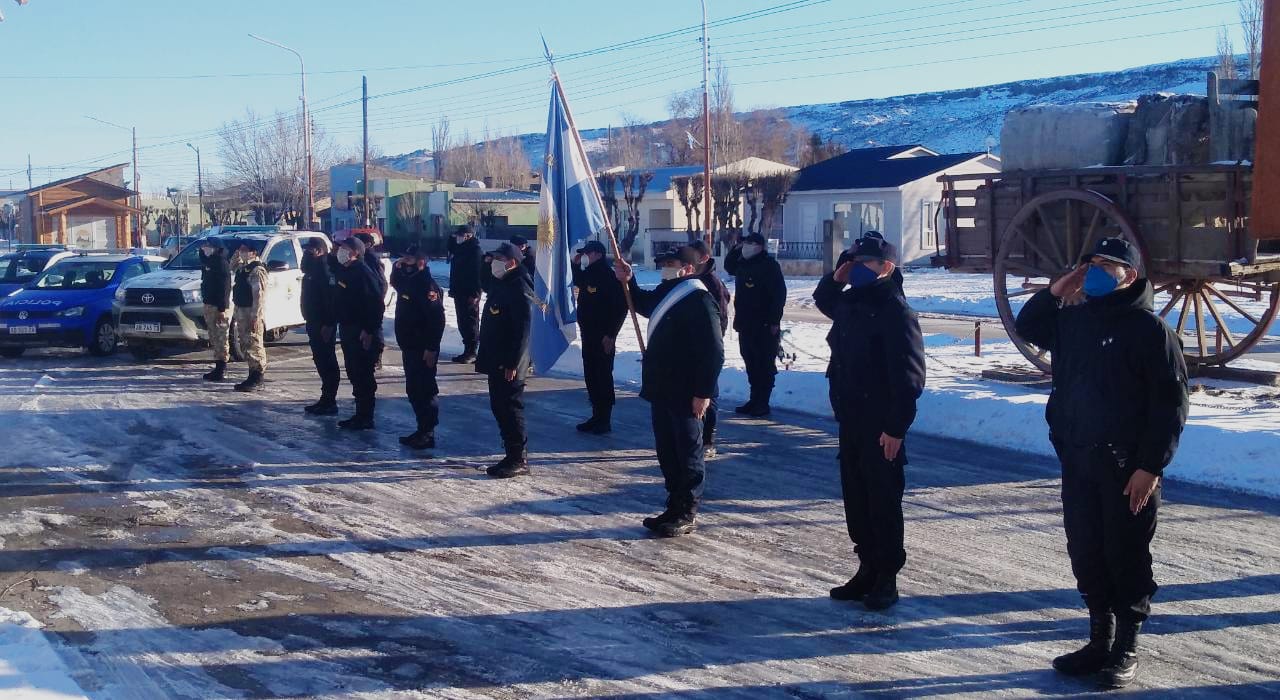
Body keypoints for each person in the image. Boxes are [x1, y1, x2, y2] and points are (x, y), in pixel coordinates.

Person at [1015, 237, 1189, 689]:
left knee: (1125, 554)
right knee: (1086, 551)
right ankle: (1099, 640)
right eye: (1089, 263)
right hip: (1080, 461)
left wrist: (1150, 467)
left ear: (1128, 276)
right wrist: (1060, 288)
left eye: (1105, 266)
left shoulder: (1151, 331)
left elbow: (1170, 407)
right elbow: (1028, 323)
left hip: (1128, 468)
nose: (1092, 272)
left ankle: (1126, 647)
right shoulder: (1074, 320)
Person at [813, 234, 925, 611]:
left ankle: (886, 578)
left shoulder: (896, 311)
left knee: (882, 501)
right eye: (855, 261)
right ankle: (866, 567)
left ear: (887, 268)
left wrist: (896, 427)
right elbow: (824, 299)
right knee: (857, 500)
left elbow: (910, 378)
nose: (859, 268)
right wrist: (837, 274)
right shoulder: (851, 301)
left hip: (881, 424)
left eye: (867, 263)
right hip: (851, 419)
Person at [614, 247, 723, 538]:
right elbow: (642, 303)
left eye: (671, 263)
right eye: (663, 263)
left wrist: (703, 392)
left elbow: (713, 351)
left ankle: (687, 511)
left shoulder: (699, 299)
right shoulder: (668, 291)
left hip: (686, 390)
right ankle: (673, 506)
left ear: (687, 268)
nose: (665, 267)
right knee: (667, 451)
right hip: (661, 386)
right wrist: (629, 280)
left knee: (688, 452)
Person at [476, 242, 533, 478]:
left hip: (509, 362)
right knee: (500, 406)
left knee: (510, 408)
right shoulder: (502, 283)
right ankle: (511, 454)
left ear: (512, 262)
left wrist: (512, 362)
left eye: (499, 258)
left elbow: (523, 329)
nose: (494, 262)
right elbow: (483, 281)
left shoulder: (519, 285)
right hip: (496, 356)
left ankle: (518, 458)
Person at [723, 232, 787, 417]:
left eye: (752, 243)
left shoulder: (769, 265)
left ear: (761, 246)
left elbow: (779, 295)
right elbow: (729, 266)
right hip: (745, 323)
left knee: (764, 364)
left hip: (765, 324)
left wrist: (775, 320)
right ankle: (754, 399)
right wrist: (736, 248)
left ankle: (762, 402)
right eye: (746, 243)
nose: (748, 246)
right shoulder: (743, 263)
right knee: (750, 361)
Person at [390, 246, 446, 450]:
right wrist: (396, 268)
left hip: (423, 348)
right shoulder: (409, 281)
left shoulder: (427, 286)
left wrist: (431, 348)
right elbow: (395, 283)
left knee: (424, 389)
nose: (405, 262)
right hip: (410, 346)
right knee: (413, 389)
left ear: (421, 262)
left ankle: (428, 433)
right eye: (403, 258)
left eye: (409, 260)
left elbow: (437, 320)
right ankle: (421, 429)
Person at [571, 240, 628, 435]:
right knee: (591, 375)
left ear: (598, 254)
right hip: (588, 334)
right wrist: (575, 263)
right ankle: (596, 416)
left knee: (603, 376)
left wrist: (611, 334)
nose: (585, 255)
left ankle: (605, 419)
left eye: (587, 253)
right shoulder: (591, 272)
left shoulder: (607, 276)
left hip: (603, 336)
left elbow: (620, 307)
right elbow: (577, 280)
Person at [333, 237, 386, 430]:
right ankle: (360, 414)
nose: (341, 251)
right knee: (354, 372)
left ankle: (366, 416)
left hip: (362, 331)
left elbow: (375, 305)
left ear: (355, 252)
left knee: (363, 374)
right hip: (348, 329)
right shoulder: (345, 271)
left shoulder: (363, 273)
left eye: (345, 248)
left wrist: (369, 330)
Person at [688, 239, 731, 457]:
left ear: (703, 258)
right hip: (690, 349)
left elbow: (721, 317)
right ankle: (695, 438)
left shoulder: (711, 284)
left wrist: (712, 342)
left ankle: (708, 441)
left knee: (708, 394)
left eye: (693, 255)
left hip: (707, 349)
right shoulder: (691, 279)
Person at [301, 238, 341, 414]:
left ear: (320, 251)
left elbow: (331, 301)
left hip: (323, 323)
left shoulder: (324, 270)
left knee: (327, 360)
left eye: (311, 250)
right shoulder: (311, 269)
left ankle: (330, 400)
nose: (307, 252)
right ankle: (325, 398)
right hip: (313, 320)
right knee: (320, 360)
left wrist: (329, 323)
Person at [230, 242, 269, 392]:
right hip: (241, 310)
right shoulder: (243, 268)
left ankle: (258, 375)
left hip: (251, 312)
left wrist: (255, 316)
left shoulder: (257, 270)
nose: (242, 252)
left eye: (245, 250)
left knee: (254, 342)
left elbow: (259, 296)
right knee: (246, 344)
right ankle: (252, 373)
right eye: (241, 250)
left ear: (254, 252)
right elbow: (232, 265)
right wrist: (236, 252)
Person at [198, 239, 233, 382]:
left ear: (216, 248)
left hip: (218, 307)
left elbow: (225, 288)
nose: (206, 248)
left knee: (221, 337)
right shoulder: (211, 261)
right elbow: (203, 260)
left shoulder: (221, 263)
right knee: (214, 337)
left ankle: (222, 368)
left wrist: (221, 308)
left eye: (208, 246)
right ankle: (218, 366)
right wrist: (201, 251)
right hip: (209, 304)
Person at [448, 224, 484, 364]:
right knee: (462, 321)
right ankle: (467, 349)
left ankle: (472, 351)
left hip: (469, 292)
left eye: (460, 236)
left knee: (470, 322)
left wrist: (476, 293)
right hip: (459, 290)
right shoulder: (461, 249)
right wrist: (452, 237)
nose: (457, 238)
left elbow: (477, 274)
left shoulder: (475, 251)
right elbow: (450, 246)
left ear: (468, 236)